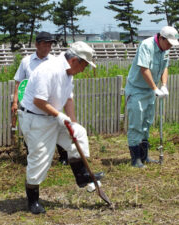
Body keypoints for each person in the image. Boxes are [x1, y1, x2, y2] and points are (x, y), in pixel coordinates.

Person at [18, 41, 104, 214]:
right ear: (74, 61)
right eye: (84, 65)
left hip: (52, 117)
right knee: (39, 159)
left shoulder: (68, 73)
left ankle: (81, 176)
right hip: (35, 119)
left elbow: (68, 99)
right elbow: (39, 101)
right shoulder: (48, 70)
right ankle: (33, 200)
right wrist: (59, 116)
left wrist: (72, 122)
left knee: (78, 133)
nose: (84, 70)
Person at [125, 26, 179, 168]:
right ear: (161, 39)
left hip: (150, 90)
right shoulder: (146, 45)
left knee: (147, 123)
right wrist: (155, 88)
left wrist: (164, 85)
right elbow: (144, 69)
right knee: (136, 124)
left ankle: (145, 156)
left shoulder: (165, 49)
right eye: (168, 43)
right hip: (137, 89)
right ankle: (136, 159)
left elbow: (165, 67)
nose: (169, 47)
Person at [11, 31, 69, 165]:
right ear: (37, 44)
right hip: (31, 105)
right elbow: (19, 82)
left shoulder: (55, 61)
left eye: (50, 44)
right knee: (30, 132)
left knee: (58, 128)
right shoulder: (26, 62)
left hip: (50, 103)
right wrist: (15, 102)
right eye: (45, 44)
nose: (47, 47)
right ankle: (33, 158)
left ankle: (64, 157)